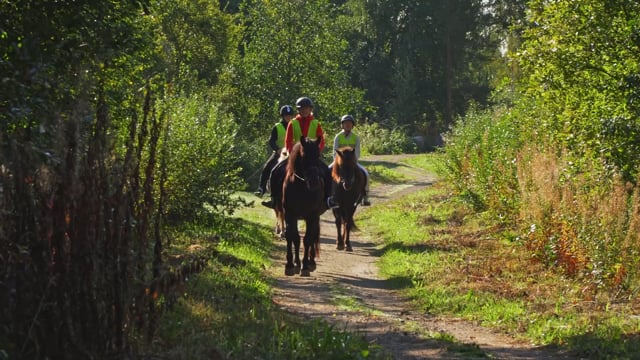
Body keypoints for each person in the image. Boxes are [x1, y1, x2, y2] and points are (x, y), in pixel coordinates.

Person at [261, 96, 338, 209]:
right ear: (298, 110)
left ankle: (328, 199)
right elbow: (288, 140)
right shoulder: (293, 123)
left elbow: (321, 140)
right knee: (275, 171)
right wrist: (291, 153)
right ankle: (274, 199)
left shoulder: (316, 123)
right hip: (295, 156)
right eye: (302, 109)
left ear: (310, 109)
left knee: (327, 172)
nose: (304, 111)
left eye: (306, 108)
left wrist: (316, 151)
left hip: (311, 156)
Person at [330, 114, 371, 206]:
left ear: (352, 125)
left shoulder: (355, 137)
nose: (347, 125)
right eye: (345, 123)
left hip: (352, 162)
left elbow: (357, 152)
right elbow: (335, 151)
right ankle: (329, 196)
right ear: (342, 125)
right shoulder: (338, 136)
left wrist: (353, 161)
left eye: (349, 123)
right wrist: (338, 162)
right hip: (339, 162)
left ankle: (366, 197)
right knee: (327, 171)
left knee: (366, 174)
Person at [255, 104, 294, 197]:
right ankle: (261, 189)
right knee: (267, 168)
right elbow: (271, 141)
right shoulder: (277, 127)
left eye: (289, 115)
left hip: (293, 153)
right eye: (286, 115)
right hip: (280, 153)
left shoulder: (295, 125)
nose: (288, 117)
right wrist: (277, 149)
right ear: (282, 116)